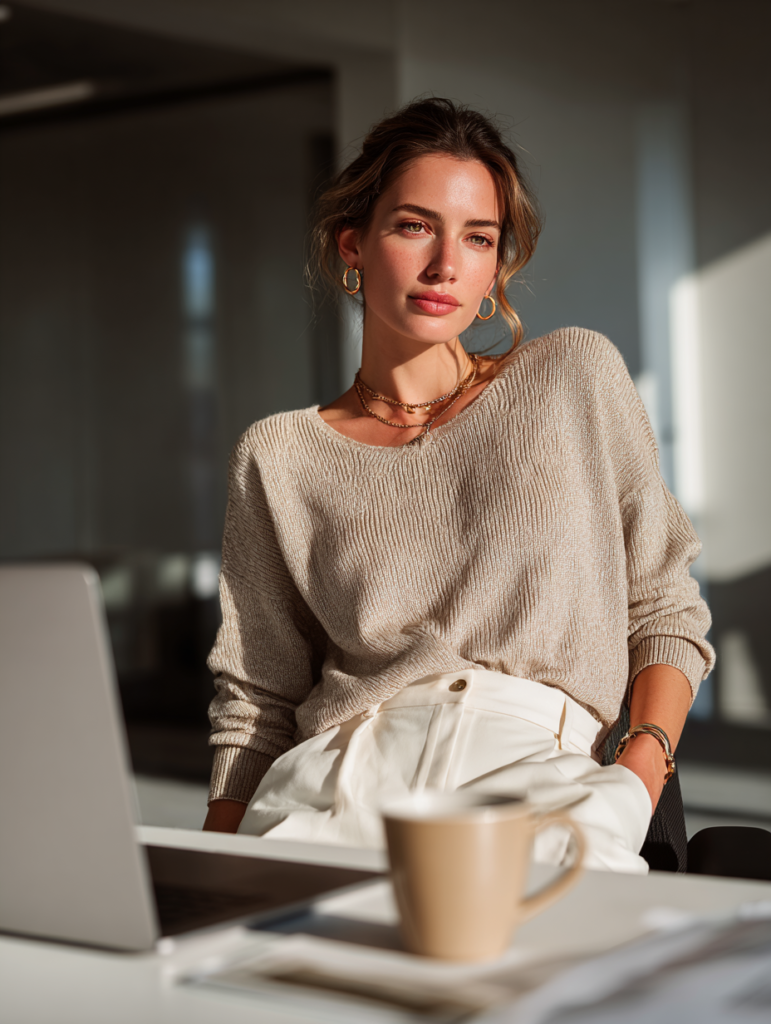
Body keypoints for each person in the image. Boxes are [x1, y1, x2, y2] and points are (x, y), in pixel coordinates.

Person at [202, 98, 714, 873]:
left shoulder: (572, 376)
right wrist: (206, 871)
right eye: (413, 226)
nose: (446, 263)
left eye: (477, 238)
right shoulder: (279, 454)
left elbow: (665, 604)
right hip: (337, 787)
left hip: (542, 775)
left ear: (495, 268)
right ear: (353, 245)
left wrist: (640, 768)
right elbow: (258, 698)